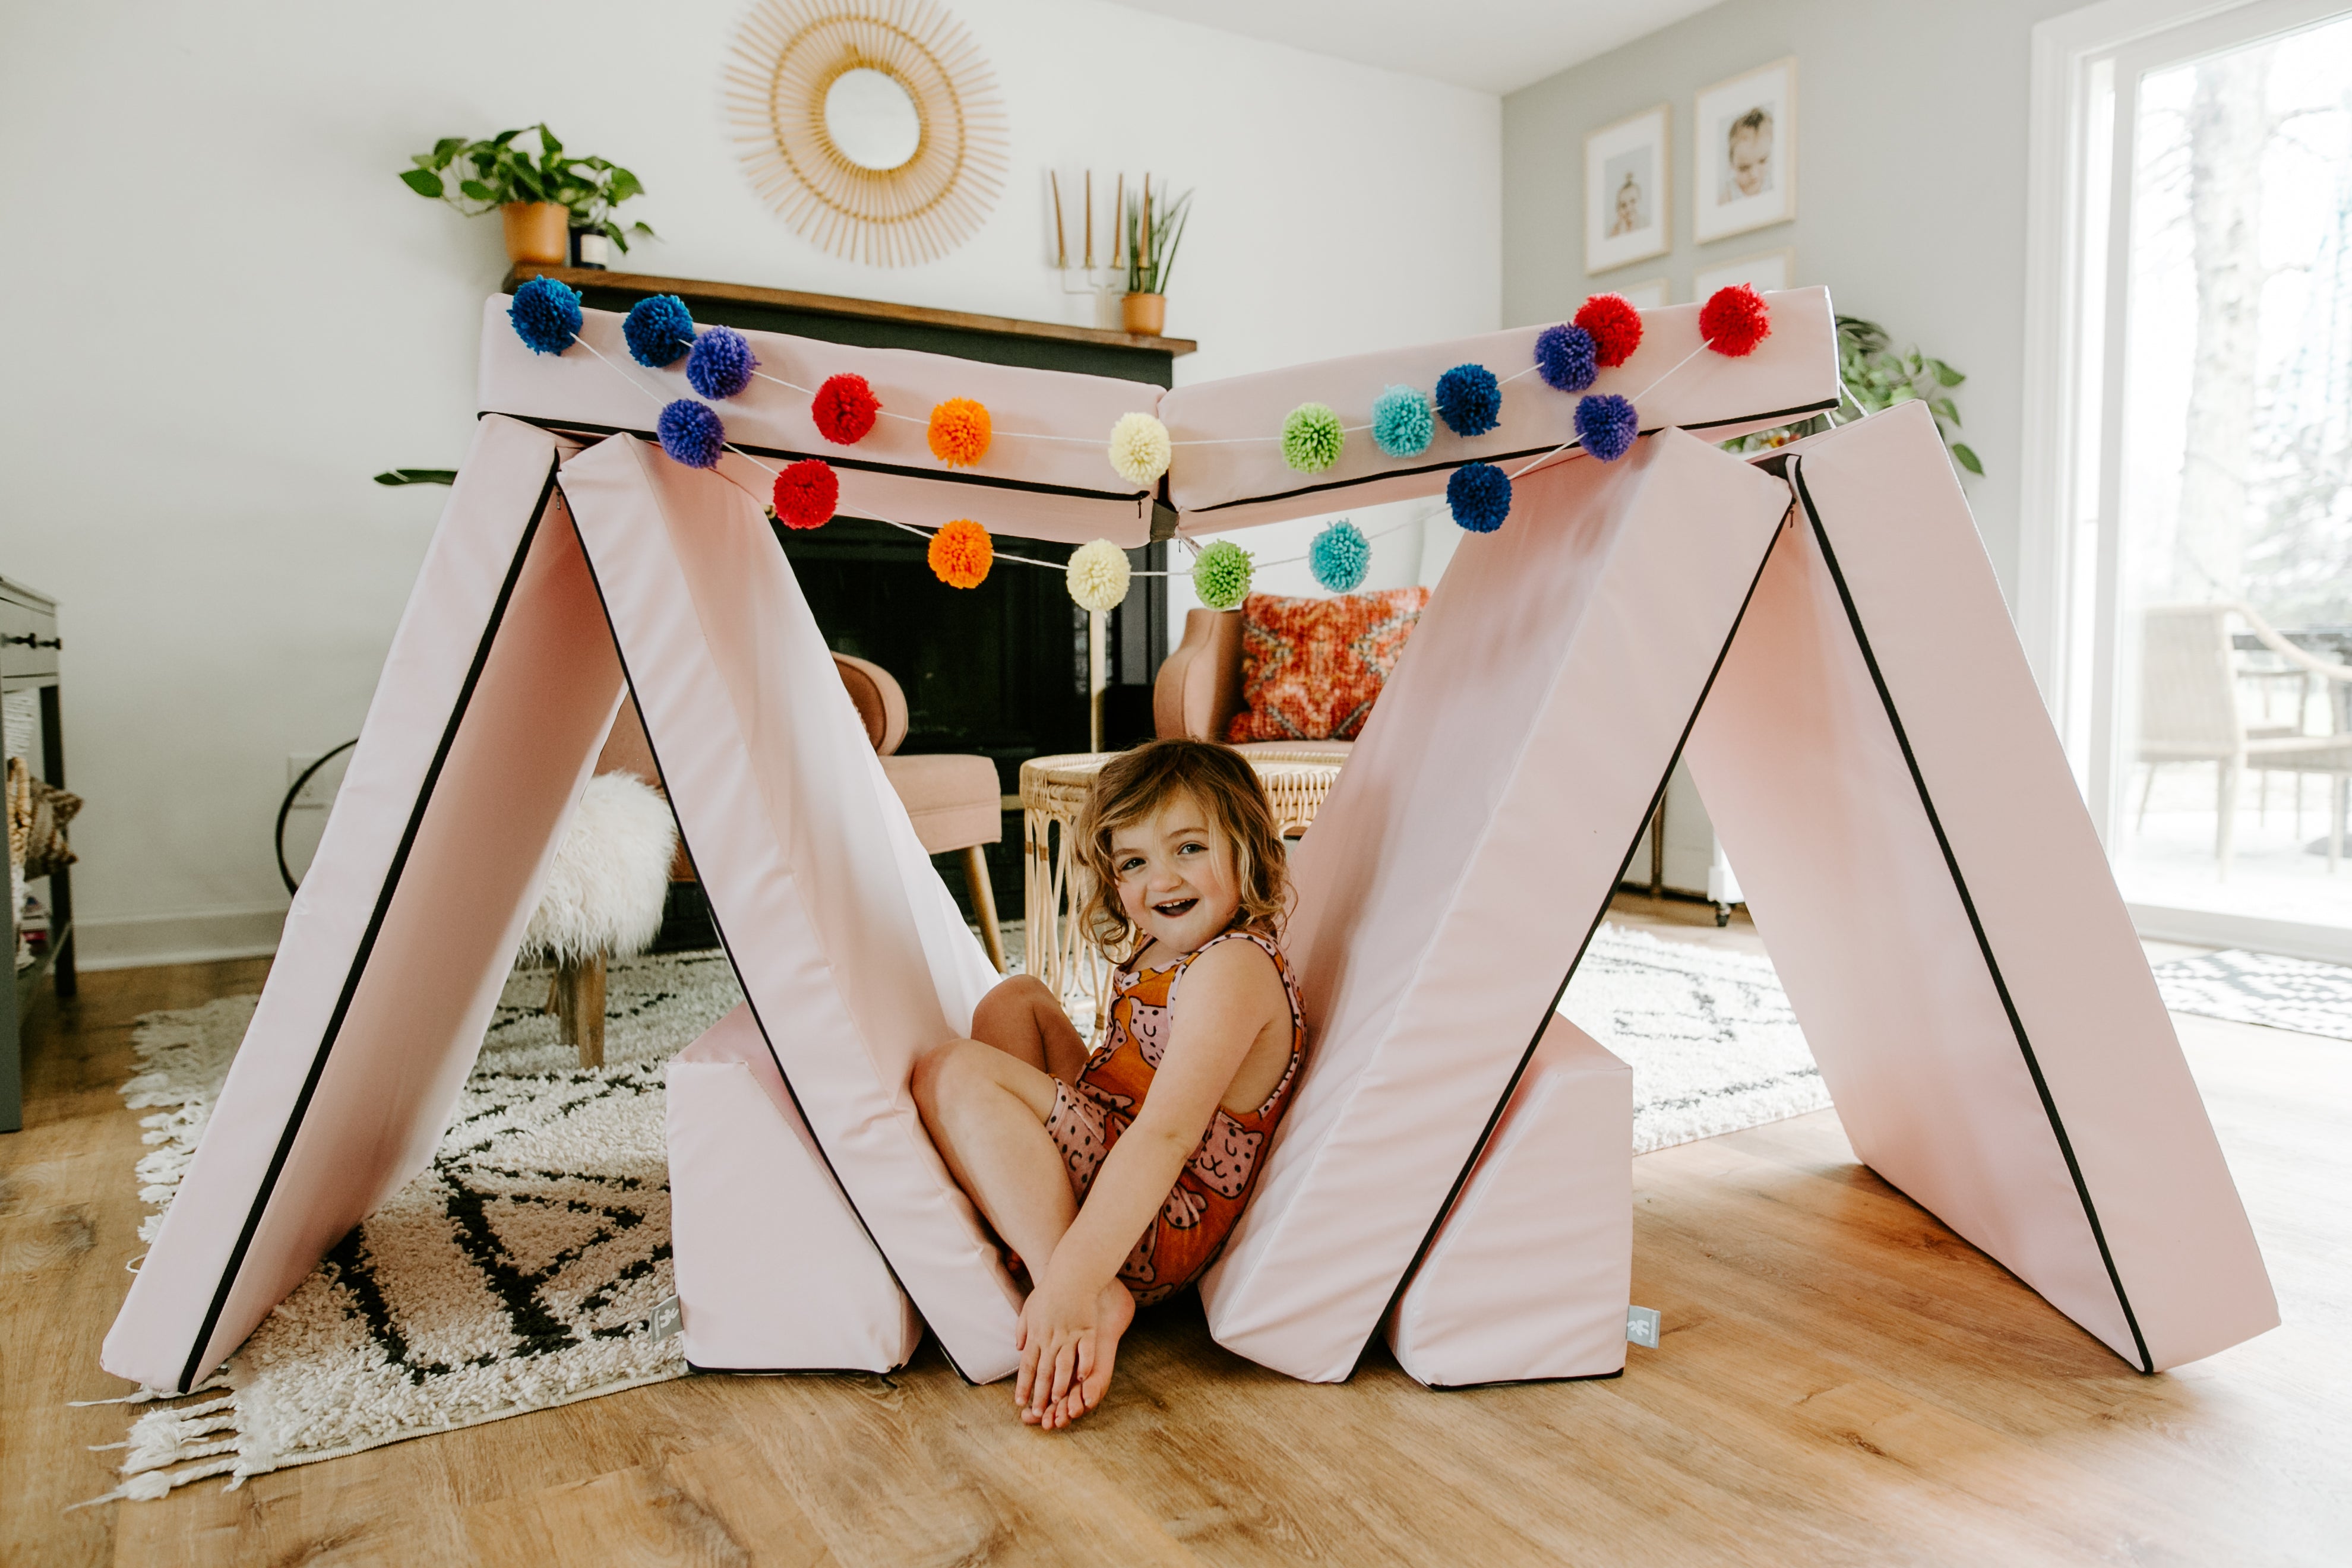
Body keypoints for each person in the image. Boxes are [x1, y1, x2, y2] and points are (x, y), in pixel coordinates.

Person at [911, 739, 1305, 1429]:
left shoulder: (1235, 967)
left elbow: (1168, 1134)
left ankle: (1074, 1280)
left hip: (1156, 1217)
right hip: (1117, 1142)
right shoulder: (1174, 948)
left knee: (950, 1071)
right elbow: (1124, 1068)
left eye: (1188, 848)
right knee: (1018, 1000)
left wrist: (1069, 1284)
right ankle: (1048, 1224)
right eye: (1134, 862)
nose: (1162, 880)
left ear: (1246, 845)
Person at [1723, 106, 1774, 201]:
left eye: (1762, 161)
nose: (1754, 175)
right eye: (1744, 168)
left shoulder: (1771, 184)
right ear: (1731, 165)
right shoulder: (1729, 194)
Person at [1608, 169, 1644, 237]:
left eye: (1633, 201)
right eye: (1624, 205)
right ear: (1618, 209)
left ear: (1640, 201)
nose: (1629, 208)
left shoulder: (1645, 223)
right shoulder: (1616, 230)